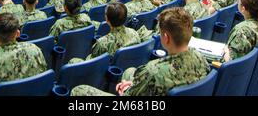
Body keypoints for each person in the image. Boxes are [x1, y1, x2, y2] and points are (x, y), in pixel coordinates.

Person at [71, 8, 210, 96]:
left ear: (166, 37)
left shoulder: (153, 71)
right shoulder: (201, 58)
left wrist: (126, 91)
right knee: (130, 71)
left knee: (79, 91)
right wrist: (135, 84)